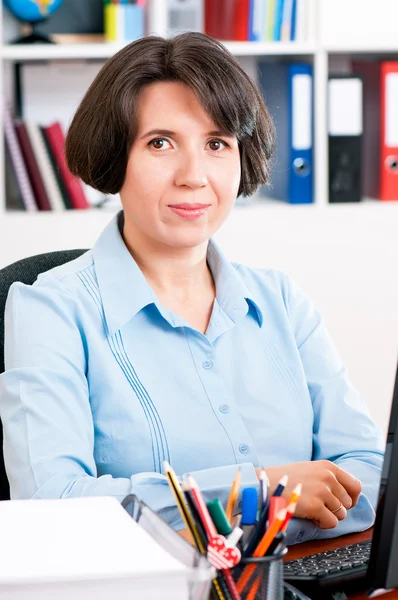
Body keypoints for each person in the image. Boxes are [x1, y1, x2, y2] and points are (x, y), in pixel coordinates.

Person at [0, 32, 384, 545]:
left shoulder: (282, 302)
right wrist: (263, 492)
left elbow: (370, 473)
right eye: (160, 143)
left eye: (217, 143)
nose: (194, 175)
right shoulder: (49, 309)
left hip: (298, 578)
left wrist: (223, 519)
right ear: (117, 157)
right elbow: (54, 504)